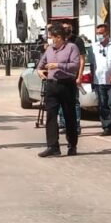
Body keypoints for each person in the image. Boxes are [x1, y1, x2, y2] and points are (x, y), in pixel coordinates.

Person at [37, 25, 81, 158]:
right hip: (51, 85)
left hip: (66, 85)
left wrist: (58, 65)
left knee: (69, 115)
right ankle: (52, 146)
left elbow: (75, 65)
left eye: (53, 38)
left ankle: (72, 144)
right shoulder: (49, 49)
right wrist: (39, 71)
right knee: (50, 116)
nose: (51, 40)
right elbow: (41, 64)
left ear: (60, 38)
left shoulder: (71, 48)